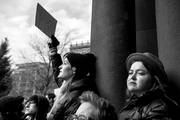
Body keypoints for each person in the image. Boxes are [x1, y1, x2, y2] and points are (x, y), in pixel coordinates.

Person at [47, 35, 97, 120]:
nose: (60, 67)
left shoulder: (78, 94)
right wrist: (53, 52)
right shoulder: (70, 86)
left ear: (74, 69)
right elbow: (58, 76)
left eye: (65, 63)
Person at [119, 52, 180, 120]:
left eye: (140, 73)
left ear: (154, 80)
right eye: (130, 73)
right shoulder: (130, 105)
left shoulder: (159, 107)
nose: (132, 77)